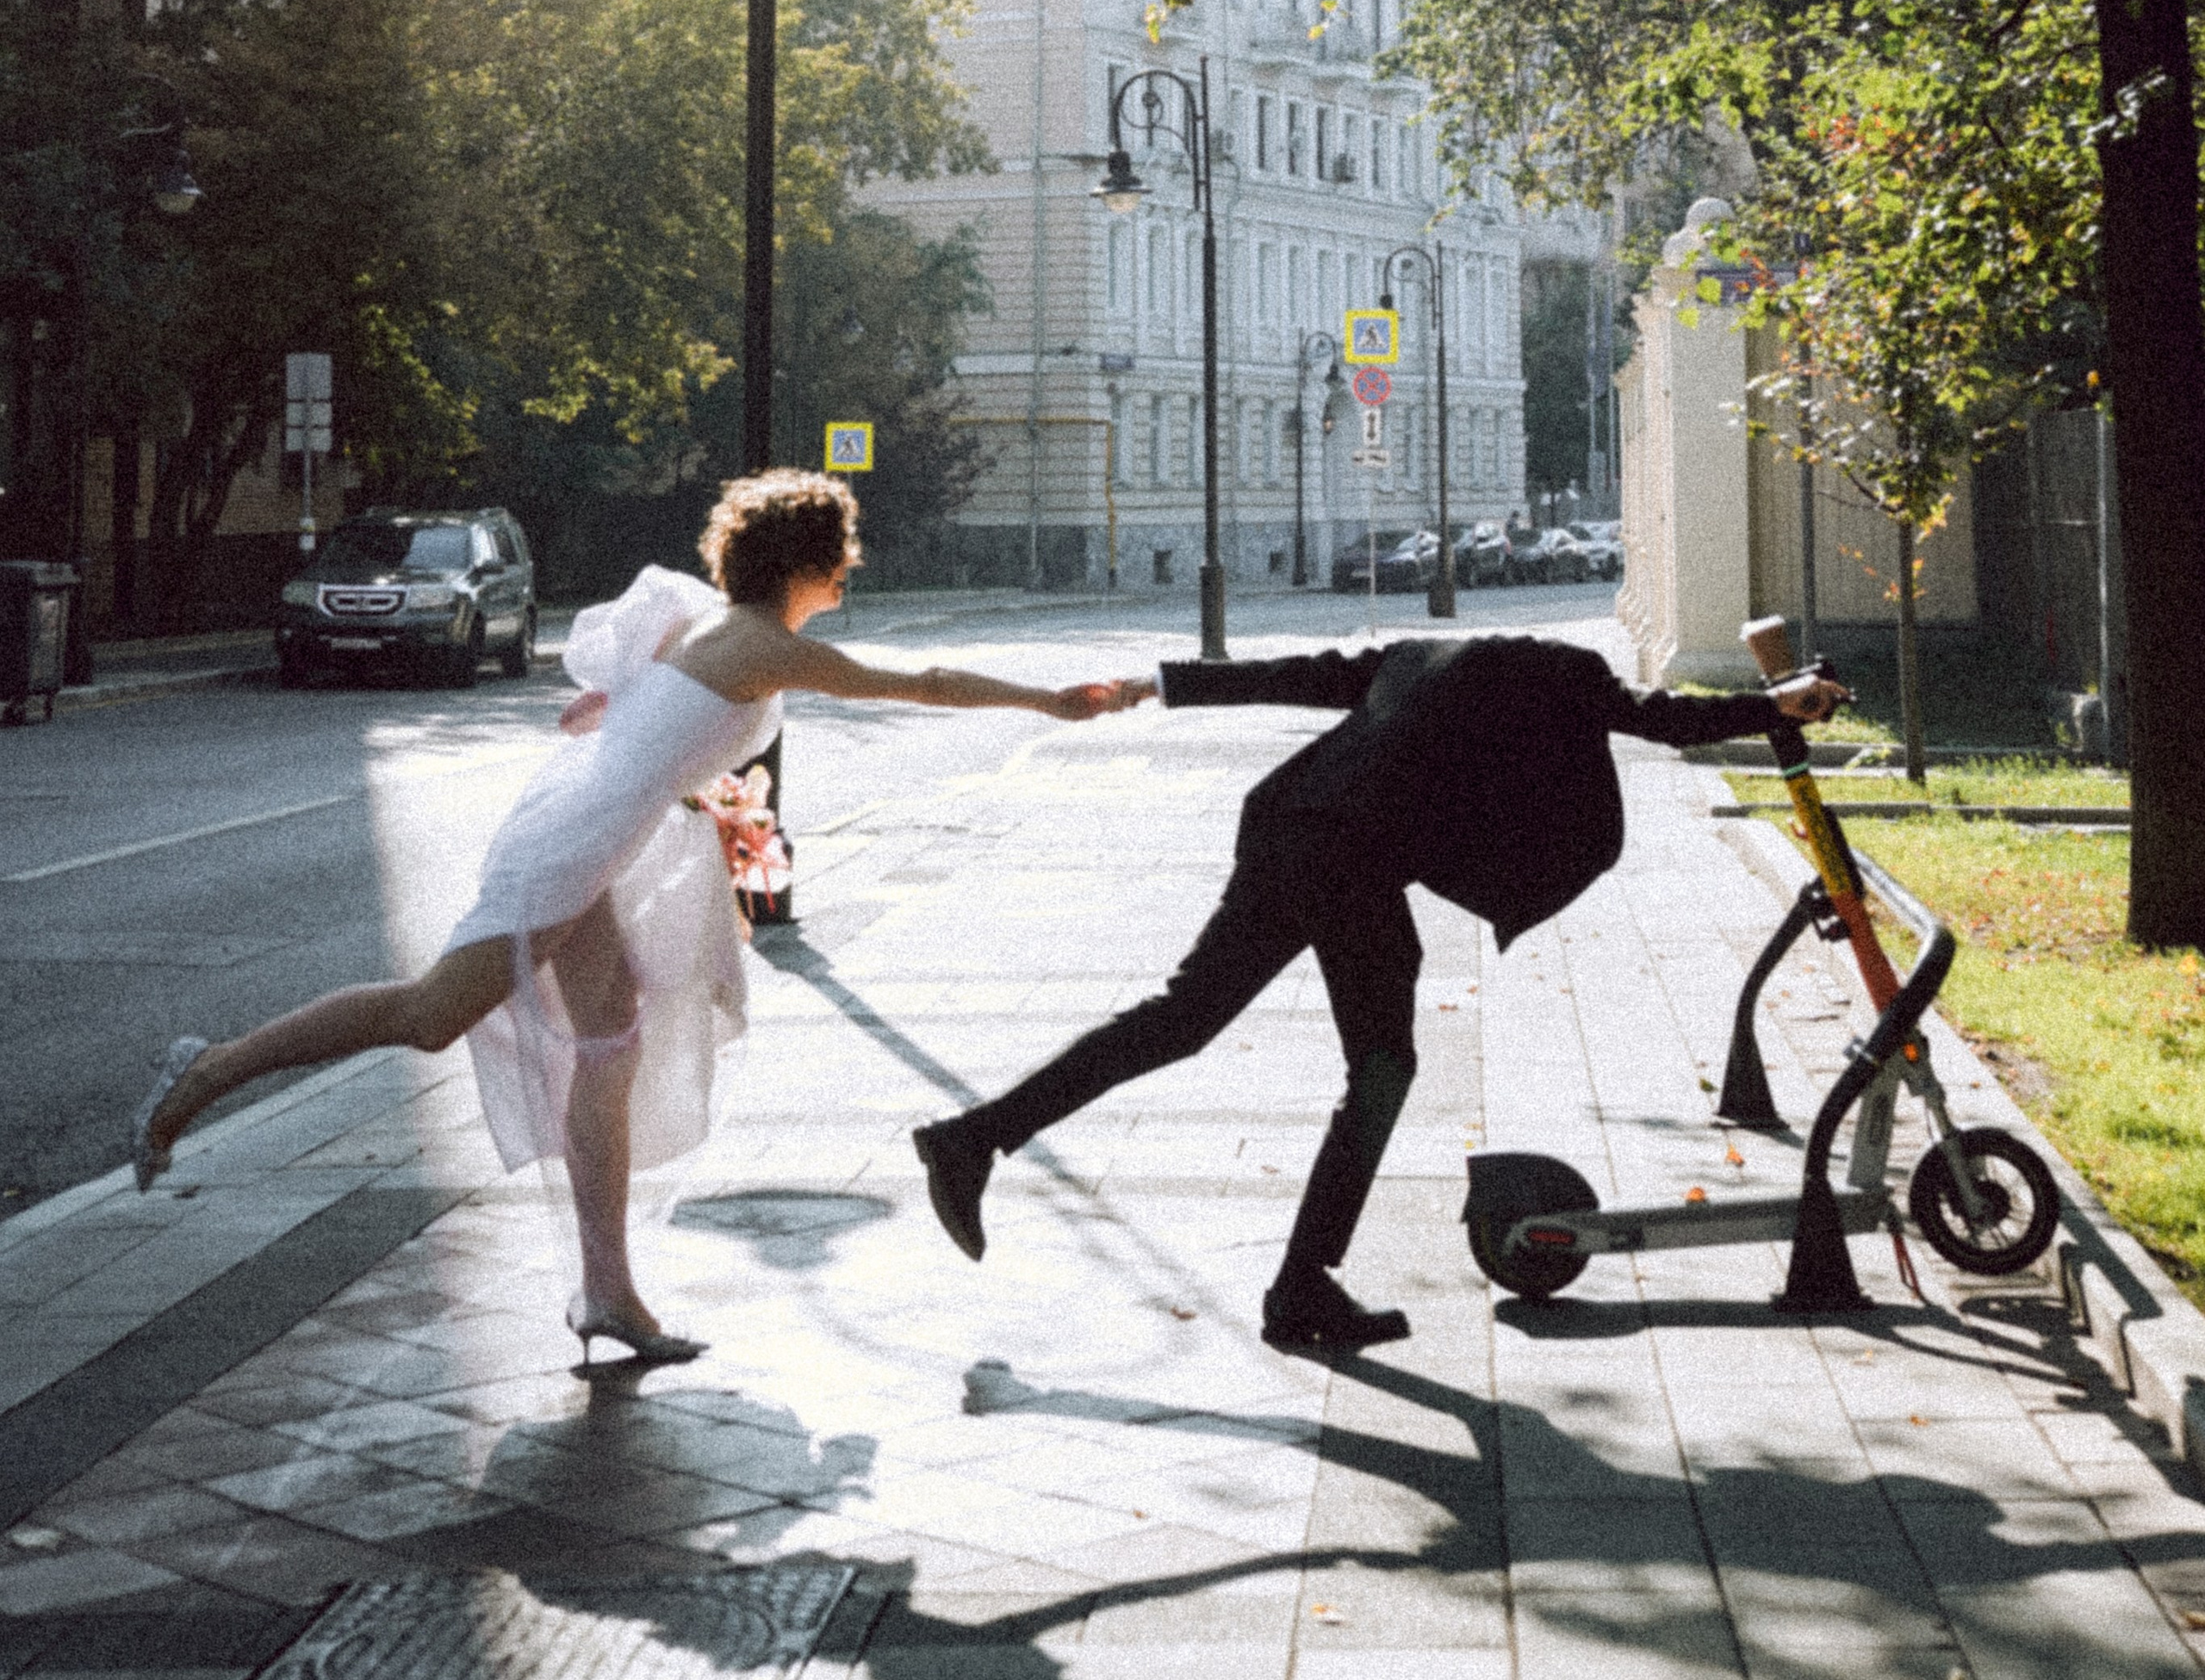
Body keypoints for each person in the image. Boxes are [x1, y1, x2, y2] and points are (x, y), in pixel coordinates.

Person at [133, 470, 1142, 1365]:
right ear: (805, 562)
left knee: (609, 1046)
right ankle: (209, 1068)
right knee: (435, 1012)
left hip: (594, 837)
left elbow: (646, 720)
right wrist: (1051, 702)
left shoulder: (708, 623)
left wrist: (691, 787)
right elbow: (918, 682)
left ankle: (607, 1290)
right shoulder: (756, 640)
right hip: (572, 844)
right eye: (841, 558)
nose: (849, 574)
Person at [915, 629, 1842, 1355]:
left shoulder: (1415, 655)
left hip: (1290, 826)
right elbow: (1659, 715)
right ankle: (1300, 1281)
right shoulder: (1568, 673)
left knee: (1186, 1017)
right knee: (1382, 1065)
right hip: (1350, 861)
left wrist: (1157, 682)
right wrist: (1771, 705)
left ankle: (975, 1137)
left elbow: (1296, 672)